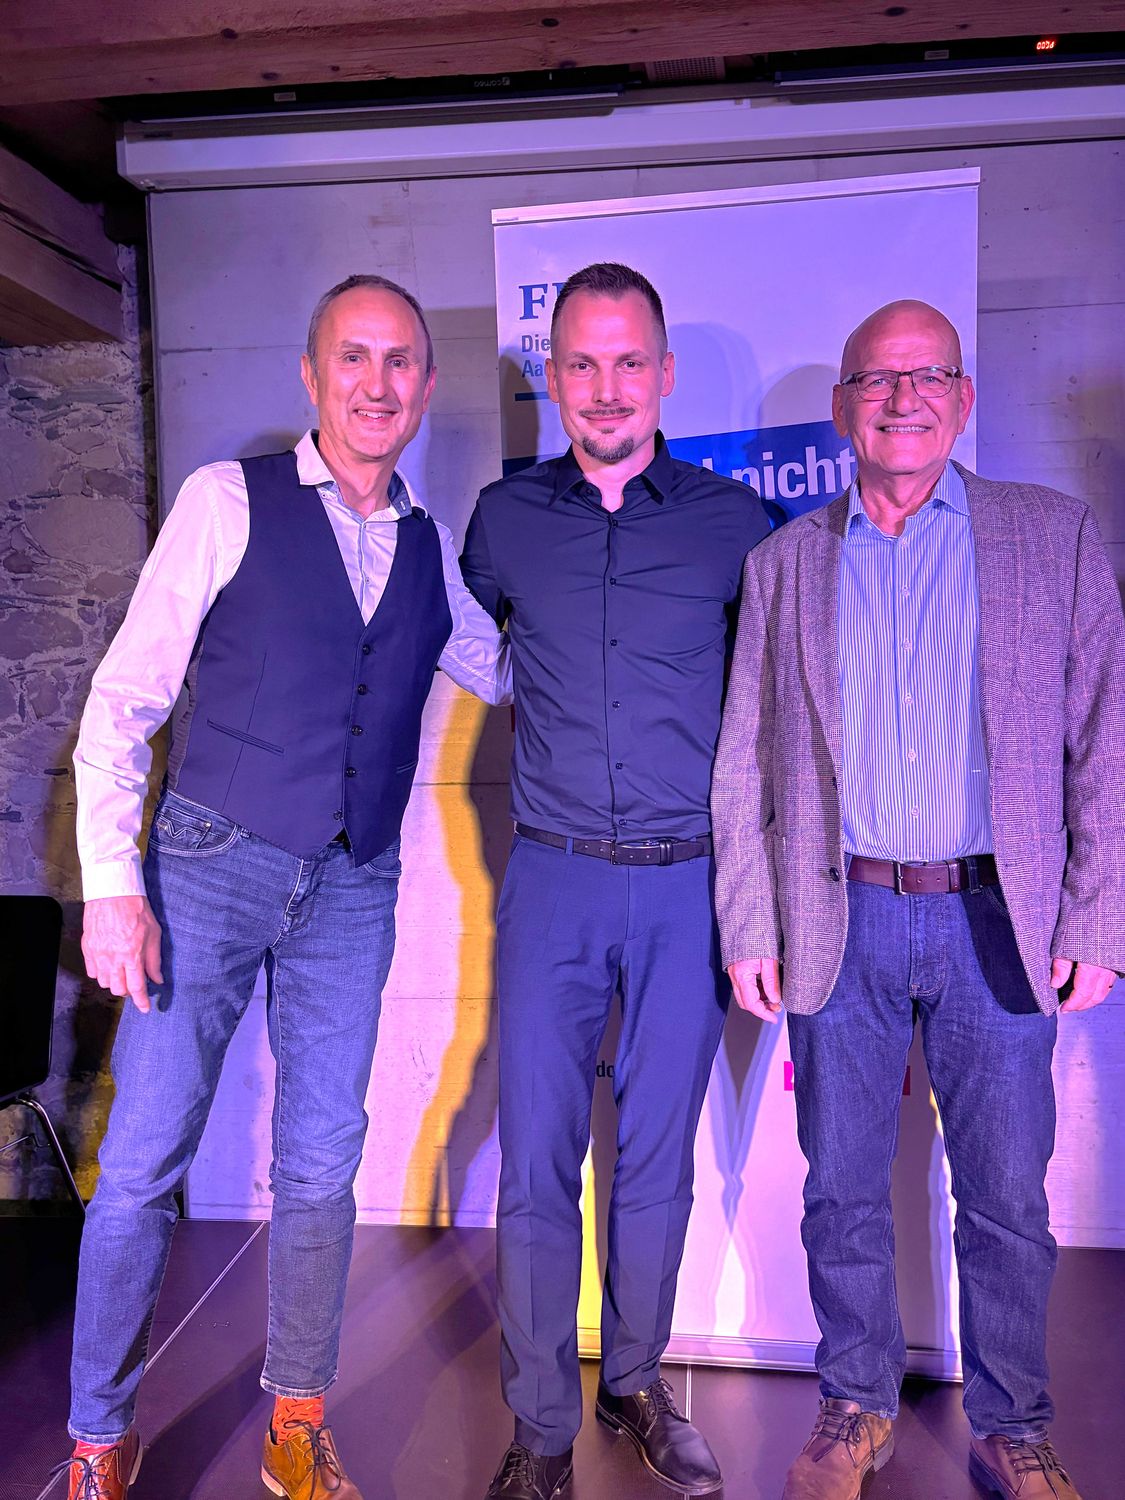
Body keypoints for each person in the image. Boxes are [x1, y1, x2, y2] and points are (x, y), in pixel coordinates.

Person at [63, 274, 511, 1500]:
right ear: (313, 375)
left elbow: (508, 669)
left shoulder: (428, 547)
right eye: (353, 357)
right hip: (208, 865)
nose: (378, 382)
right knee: (144, 1157)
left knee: (322, 1161)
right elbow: (125, 700)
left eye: (401, 361)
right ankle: (98, 1438)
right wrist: (113, 885)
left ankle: (294, 1425)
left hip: (353, 883)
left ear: (426, 385)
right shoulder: (227, 500)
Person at [712, 298, 1124, 1500]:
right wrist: (750, 922)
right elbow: (743, 762)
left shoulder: (1050, 536)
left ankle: (1014, 1423)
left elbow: (1106, 737)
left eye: (928, 376)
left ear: (963, 397)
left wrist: (1098, 918)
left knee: (1006, 1196)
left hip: (1002, 921)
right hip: (838, 920)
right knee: (839, 1187)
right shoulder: (784, 565)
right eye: (878, 381)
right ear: (843, 408)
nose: (903, 399)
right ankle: (854, 1408)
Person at [461, 261, 770, 1500]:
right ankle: (540, 1428)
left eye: (628, 361)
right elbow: (467, 646)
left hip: (690, 887)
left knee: (654, 1160)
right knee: (536, 1157)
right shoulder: (501, 522)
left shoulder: (736, 526)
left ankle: (633, 1381)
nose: (605, 387)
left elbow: (777, 711)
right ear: (553, 377)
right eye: (581, 363)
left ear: (665, 375)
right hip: (553, 880)